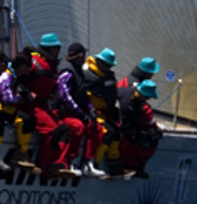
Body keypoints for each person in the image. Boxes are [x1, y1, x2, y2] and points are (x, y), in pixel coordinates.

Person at [26, 33, 80, 179]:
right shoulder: (32, 62)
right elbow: (15, 77)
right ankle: (45, 168)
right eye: (55, 48)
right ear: (47, 48)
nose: (57, 51)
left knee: (65, 129)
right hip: (31, 106)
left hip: (45, 105)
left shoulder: (52, 66)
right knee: (52, 130)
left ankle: (59, 163)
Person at [55, 42, 99, 178]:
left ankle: (88, 163)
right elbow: (64, 95)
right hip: (66, 112)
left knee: (95, 126)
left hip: (78, 111)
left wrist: (90, 108)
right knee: (77, 126)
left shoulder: (78, 70)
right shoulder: (67, 72)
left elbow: (82, 93)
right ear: (79, 56)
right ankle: (71, 161)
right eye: (83, 55)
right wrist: (79, 112)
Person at [83, 47, 129, 178]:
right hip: (91, 112)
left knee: (116, 131)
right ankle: (94, 165)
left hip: (103, 112)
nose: (109, 68)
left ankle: (115, 168)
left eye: (110, 66)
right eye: (107, 65)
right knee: (106, 133)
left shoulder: (104, 75)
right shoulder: (89, 73)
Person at [0, 52, 38, 171]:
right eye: (29, 68)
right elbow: (7, 98)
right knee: (25, 119)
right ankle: (20, 153)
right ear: (23, 67)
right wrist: (21, 99)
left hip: (4, 107)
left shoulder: (14, 76)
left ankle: (21, 152)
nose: (29, 71)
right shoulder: (6, 77)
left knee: (30, 118)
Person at [119, 79, 163, 178]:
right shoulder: (145, 109)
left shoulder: (124, 93)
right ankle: (138, 166)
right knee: (154, 137)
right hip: (135, 133)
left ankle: (126, 165)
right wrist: (157, 130)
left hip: (124, 128)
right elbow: (151, 123)